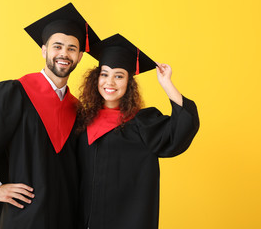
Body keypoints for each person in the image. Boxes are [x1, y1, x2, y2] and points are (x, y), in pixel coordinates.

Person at [0, 3, 100, 229]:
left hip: (65, 217)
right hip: (21, 217)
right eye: (57, 46)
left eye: (72, 48)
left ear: (80, 56)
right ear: (44, 50)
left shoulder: (78, 110)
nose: (64, 53)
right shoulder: (13, 94)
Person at [75, 34, 200, 229]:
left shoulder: (143, 124)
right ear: (96, 78)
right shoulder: (81, 121)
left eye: (119, 76)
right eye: (105, 74)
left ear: (129, 82)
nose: (110, 82)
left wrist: (166, 83)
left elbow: (183, 127)